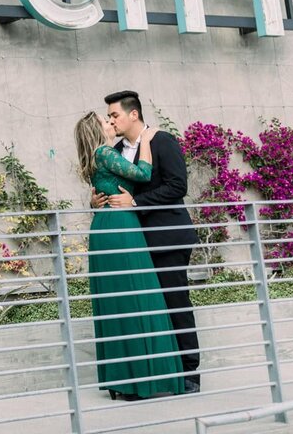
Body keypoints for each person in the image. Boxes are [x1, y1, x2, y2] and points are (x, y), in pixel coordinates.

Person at [94, 90, 202, 394]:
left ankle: (189, 371)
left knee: (174, 302)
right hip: (134, 243)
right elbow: (114, 188)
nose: (111, 120)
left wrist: (136, 203)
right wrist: (99, 197)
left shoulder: (161, 140)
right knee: (147, 308)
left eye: (114, 114)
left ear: (133, 114)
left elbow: (177, 186)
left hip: (166, 237)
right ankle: (155, 373)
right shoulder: (113, 149)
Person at [75, 112, 185, 400]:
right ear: (96, 131)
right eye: (105, 121)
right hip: (119, 228)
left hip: (110, 226)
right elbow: (144, 174)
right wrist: (147, 140)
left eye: (112, 117)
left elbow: (104, 187)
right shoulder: (105, 152)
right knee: (135, 297)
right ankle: (140, 381)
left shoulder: (99, 156)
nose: (110, 123)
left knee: (120, 300)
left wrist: (94, 198)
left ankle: (127, 380)